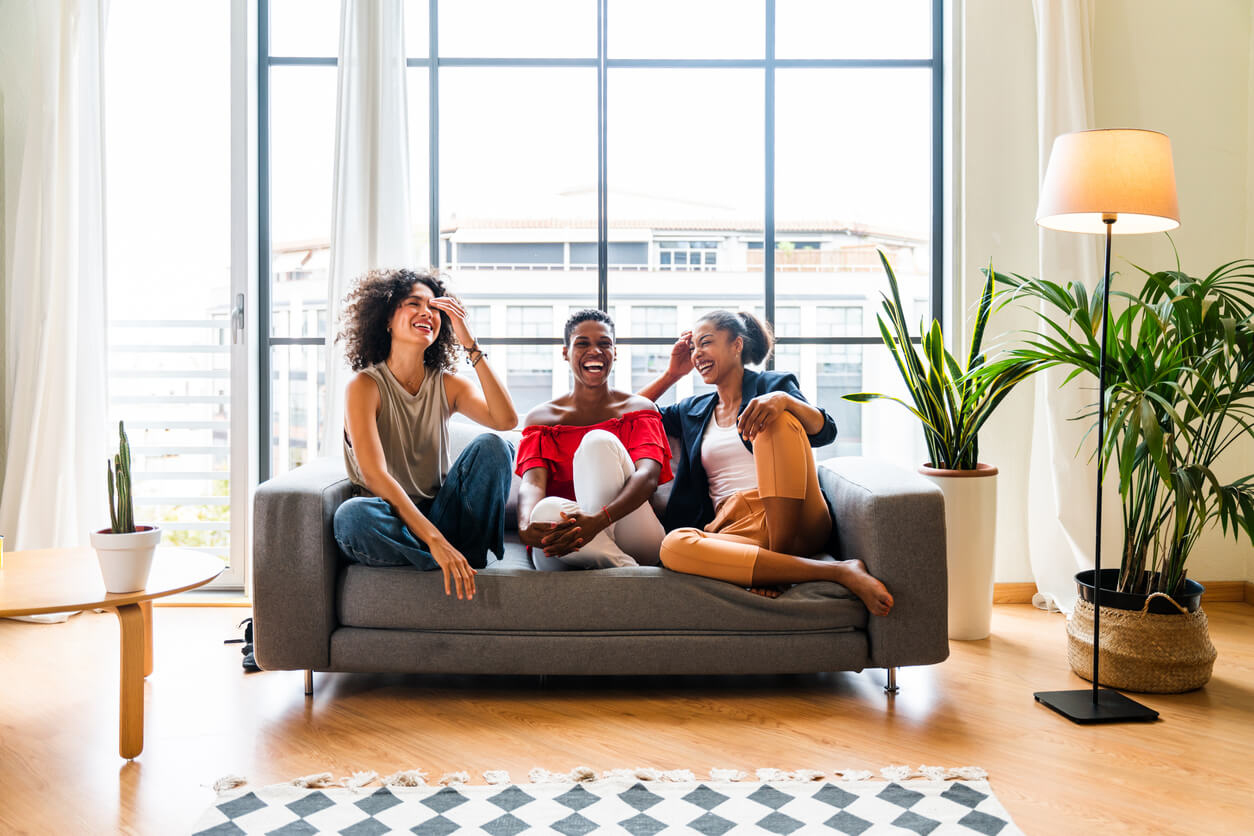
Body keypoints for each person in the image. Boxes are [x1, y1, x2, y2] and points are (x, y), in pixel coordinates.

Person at [638, 310, 894, 615]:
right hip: (736, 527)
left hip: (798, 514)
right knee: (673, 547)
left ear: (737, 345)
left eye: (705, 342)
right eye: (693, 347)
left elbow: (826, 430)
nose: (697, 354)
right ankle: (839, 571)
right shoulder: (692, 409)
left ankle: (778, 556)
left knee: (774, 419)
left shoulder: (772, 385)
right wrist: (672, 374)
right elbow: (630, 416)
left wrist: (784, 401)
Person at [332, 268, 518, 601]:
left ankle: (451, 559)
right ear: (388, 318)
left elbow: (505, 420)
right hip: (392, 517)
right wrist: (435, 541)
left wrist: (469, 342)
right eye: (413, 303)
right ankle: (448, 560)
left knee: (494, 446)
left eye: (435, 308)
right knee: (352, 517)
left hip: (444, 514)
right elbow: (375, 477)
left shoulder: (448, 385)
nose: (426, 313)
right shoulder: (364, 387)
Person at [515, 309, 673, 569]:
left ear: (615, 352)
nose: (595, 351)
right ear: (566, 352)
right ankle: (626, 569)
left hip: (632, 531)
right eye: (582, 343)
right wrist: (524, 527)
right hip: (567, 541)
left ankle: (607, 554)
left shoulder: (638, 408)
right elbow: (532, 484)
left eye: (604, 344)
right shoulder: (541, 418)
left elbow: (648, 477)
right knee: (546, 510)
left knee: (598, 441)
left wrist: (598, 522)